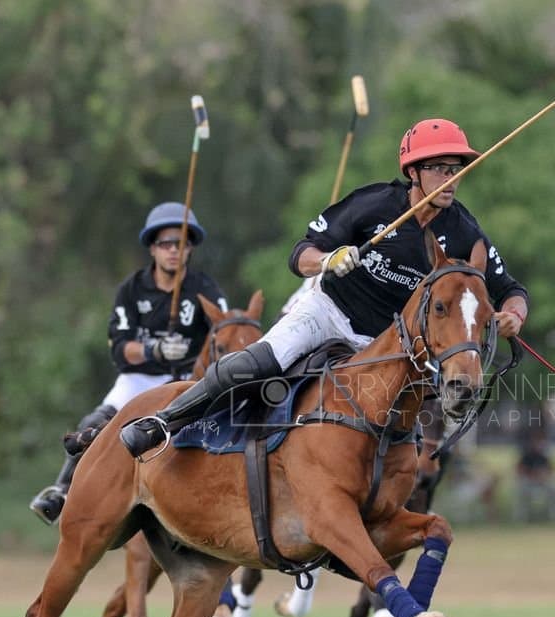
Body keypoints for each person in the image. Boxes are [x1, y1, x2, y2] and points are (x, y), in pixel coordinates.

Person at [119, 117, 530, 458]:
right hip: (328, 313)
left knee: (415, 421)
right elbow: (301, 253)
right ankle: (164, 422)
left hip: (385, 341)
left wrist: (512, 315)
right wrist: (328, 260)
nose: (451, 178)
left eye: (457, 168)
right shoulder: (373, 206)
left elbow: (510, 289)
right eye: (441, 168)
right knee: (256, 363)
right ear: (414, 172)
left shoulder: (463, 232)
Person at [29, 201, 227, 523]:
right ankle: (62, 492)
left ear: (190, 249)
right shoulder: (132, 290)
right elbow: (120, 348)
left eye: (182, 244)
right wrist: (155, 351)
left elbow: (225, 330)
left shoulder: (205, 289)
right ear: (152, 248)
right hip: (140, 379)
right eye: (166, 244)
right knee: (92, 425)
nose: (174, 251)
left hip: (187, 380)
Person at [513, 427, 555, 522]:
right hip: (529, 482)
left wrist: (544, 475)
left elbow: (551, 470)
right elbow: (520, 470)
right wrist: (533, 475)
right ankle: (520, 518)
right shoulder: (526, 456)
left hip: (543, 482)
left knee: (554, 490)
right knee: (522, 492)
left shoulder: (544, 457)